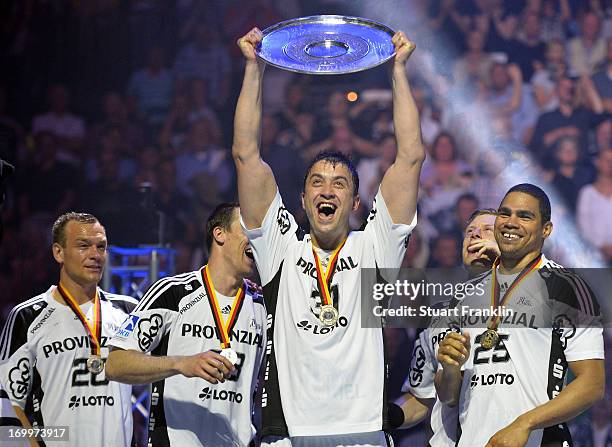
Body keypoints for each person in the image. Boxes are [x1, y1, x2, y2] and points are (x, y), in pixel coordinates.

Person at [233, 27, 424, 445]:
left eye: (340, 184)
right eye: (317, 182)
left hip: (363, 432)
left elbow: (409, 158)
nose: (327, 189)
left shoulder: (376, 247)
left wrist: (399, 70)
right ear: (301, 200)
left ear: (357, 203)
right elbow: (246, 156)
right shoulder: (279, 246)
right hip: (290, 433)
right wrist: (254, 69)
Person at [436, 183, 605, 447]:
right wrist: (449, 368)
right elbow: (448, 396)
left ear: (546, 229)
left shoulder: (567, 287)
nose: (511, 222)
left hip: (538, 440)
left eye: (524, 216)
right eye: (505, 214)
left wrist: (524, 424)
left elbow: (592, 384)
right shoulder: (464, 295)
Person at [106, 203, 266, 447]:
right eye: (247, 229)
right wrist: (181, 363)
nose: (256, 238)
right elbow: (115, 364)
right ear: (219, 234)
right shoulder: (172, 293)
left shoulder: (263, 305)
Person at [0, 212, 137, 446]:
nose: (95, 255)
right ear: (58, 252)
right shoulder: (28, 316)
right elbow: (9, 402)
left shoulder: (129, 311)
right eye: (83, 246)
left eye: (101, 246)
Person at [397, 208, 500, 446]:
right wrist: (381, 417)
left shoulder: (530, 302)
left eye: (487, 231)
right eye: (470, 232)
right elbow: (420, 398)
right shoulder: (439, 317)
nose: (475, 235)